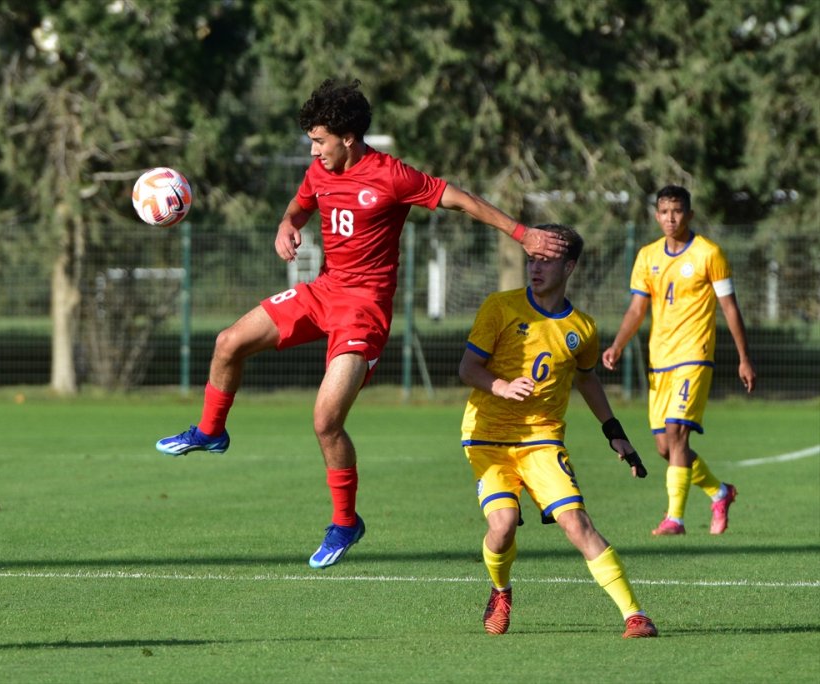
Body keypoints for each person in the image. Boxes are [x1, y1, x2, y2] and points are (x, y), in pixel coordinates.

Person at [156, 78, 567, 569]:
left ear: (347, 137)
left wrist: (521, 233)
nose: (314, 150)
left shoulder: (391, 176)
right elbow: (300, 204)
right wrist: (288, 225)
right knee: (228, 342)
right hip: (323, 291)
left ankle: (345, 522)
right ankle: (210, 431)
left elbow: (460, 199)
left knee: (325, 420)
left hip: (364, 310)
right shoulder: (319, 170)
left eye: (319, 140)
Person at [459, 223, 658, 639]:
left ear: (569, 267)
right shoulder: (500, 307)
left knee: (577, 524)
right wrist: (501, 386)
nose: (536, 267)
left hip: (542, 439)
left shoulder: (581, 328)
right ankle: (500, 590)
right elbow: (468, 368)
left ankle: (635, 615)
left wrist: (614, 431)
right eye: (532, 258)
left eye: (547, 261)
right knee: (503, 524)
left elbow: (587, 380)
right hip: (488, 438)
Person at [602, 185, 756, 536]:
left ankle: (675, 518)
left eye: (677, 211)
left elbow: (730, 308)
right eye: (664, 212)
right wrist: (617, 344)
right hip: (660, 360)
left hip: (695, 356)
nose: (670, 218)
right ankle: (720, 492)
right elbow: (637, 308)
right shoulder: (647, 256)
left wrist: (744, 358)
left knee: (676, 434)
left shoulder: (709, 254)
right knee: (664, 447)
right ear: (656, 215)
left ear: (689, 214)